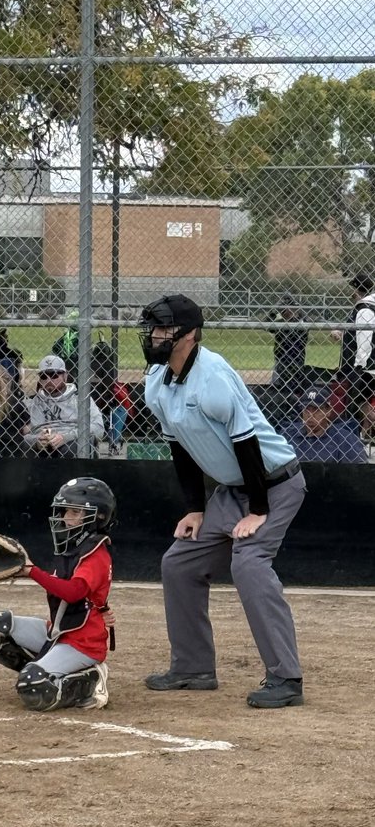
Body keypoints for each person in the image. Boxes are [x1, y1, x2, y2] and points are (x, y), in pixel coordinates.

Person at [140, 294, 306, 709]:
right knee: (179, 563)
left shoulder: (212, 375)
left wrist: (258, 512)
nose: (155, 335)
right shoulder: (157, 380)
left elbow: (247, 443)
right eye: (152, 327)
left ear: (190, 335)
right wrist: (195, 508)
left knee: (248, 564)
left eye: (164, 328)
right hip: (232, 491)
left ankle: (286, 678)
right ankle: (193, 667)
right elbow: (179, 447)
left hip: (275, 485)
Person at [0, 477, 115, 712]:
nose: (64, 518)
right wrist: (24, 572)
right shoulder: (73, 548)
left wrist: (32, 571)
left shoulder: (96, 554)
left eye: (73, 512)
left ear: (97, 516)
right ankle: (46, 669)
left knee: (33, 687)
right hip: (57, 633)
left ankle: (89, 679)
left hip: (83, 645)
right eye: (64, 512)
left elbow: (74, 593)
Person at [24, 354, 104, 457]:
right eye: (44, 376)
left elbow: (99, 428)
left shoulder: (81, 399)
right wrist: (35, 441)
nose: (48, 380)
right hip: (40, 448)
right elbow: (16, 436)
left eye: (54, 375)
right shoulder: (31, 403)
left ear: (65, 376)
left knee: (73, 447)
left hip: (72, 443)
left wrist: (65, 437)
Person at [280, 386, 367, 464]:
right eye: (306, 409)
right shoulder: (288, 434)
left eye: (316, 409)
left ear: (328, 411)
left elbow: (360, 471)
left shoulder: (345, 440)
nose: (310, 415)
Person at [333, 273, 375, 437]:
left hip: (363, 369)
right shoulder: (366, 307)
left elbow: (364, 342)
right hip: (364, 367)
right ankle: (362, 438)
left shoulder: (365, 308)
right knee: (361, 404)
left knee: (358, 403)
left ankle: (359, 436)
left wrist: (358, 367)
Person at [269, 292, 308, 389]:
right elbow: (264, 324)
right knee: (277, 387)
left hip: (297, 359)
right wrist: (275, 310)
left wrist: (296, 307)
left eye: (290, 309)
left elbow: (308, 319)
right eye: (284, 310)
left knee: (296, 386)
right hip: (281, 359)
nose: (287, 312)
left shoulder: (301, 324)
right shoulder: (280, 324)